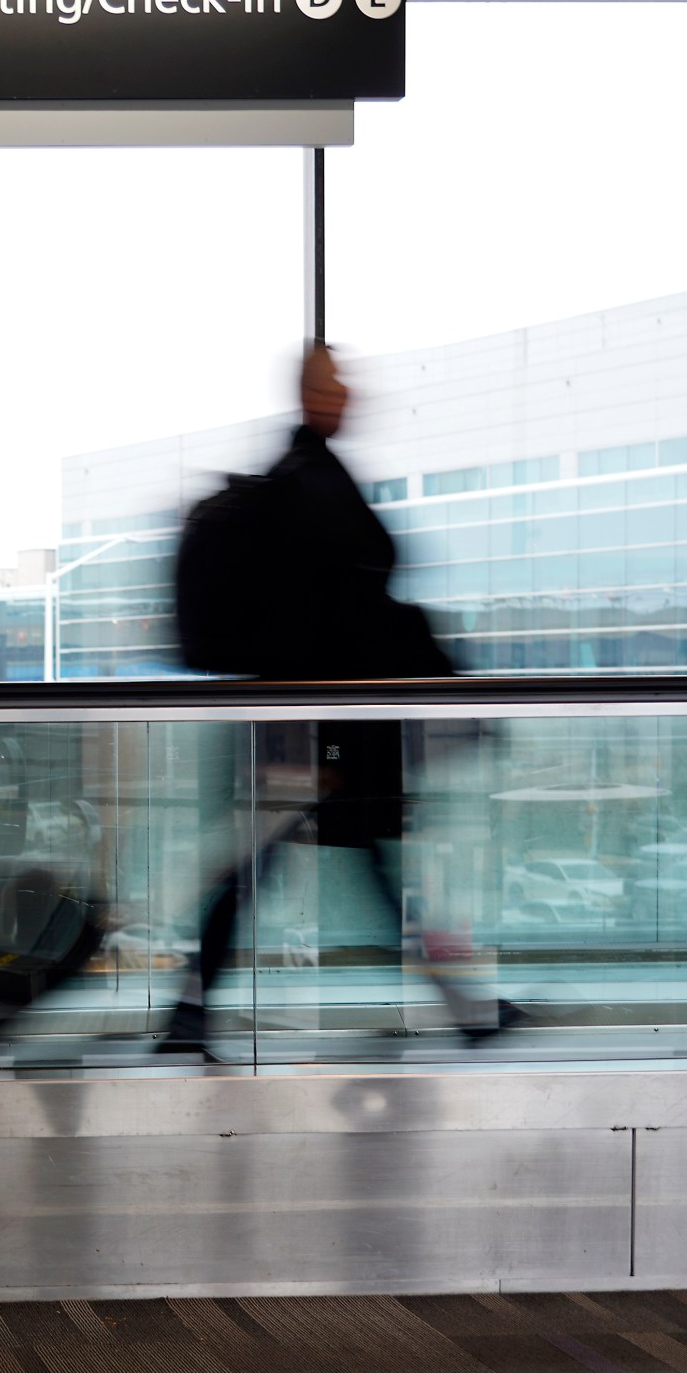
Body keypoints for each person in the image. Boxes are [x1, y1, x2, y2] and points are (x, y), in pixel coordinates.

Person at [161, 343, 517, 1058]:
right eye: (336, 380)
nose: (350, 391)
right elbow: (350, 614)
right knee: (347, 865)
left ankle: (190, 1012)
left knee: (303, 867)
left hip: (306, 724)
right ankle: (463, 1009)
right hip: (324, 728)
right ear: (311, 394)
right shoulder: (311, 484)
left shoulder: (301, 480)